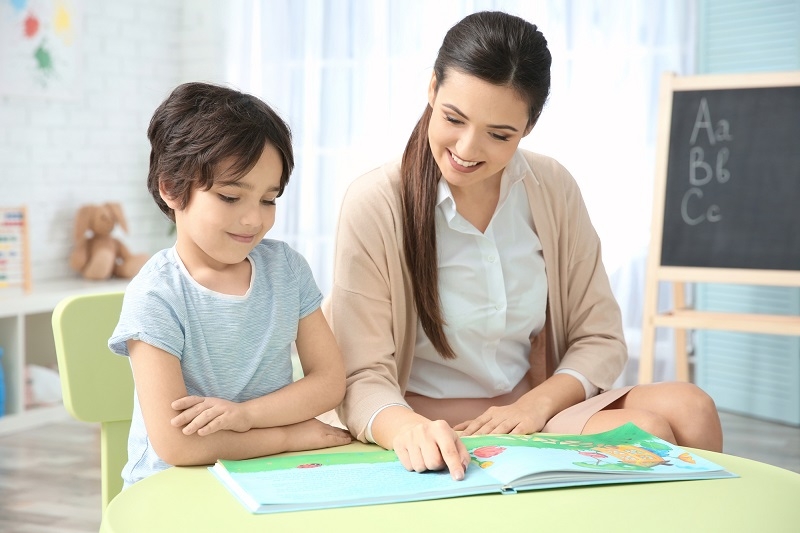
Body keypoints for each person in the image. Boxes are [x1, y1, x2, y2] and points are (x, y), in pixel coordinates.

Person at [323, 11, 722, 481]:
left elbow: (600, 337)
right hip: (433, 425)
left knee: (692, 408)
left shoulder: (550, 187)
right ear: (432, 89)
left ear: (529, 126)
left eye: (500, 134)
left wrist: (537, 404)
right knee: (650, 428)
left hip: (532, 409)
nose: (468, 149)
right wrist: (410, 430)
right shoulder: (376, 202)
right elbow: (359, 374)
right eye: (454, 118)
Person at [109, 82, 351, 487]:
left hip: (268, 475)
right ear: (171, 187)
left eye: (268, 200)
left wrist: (246, 417)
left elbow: (329, 382)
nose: (253, 220)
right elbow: (177, 446)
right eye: (230, 197)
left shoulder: (286, 269)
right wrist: (287, 436)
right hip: (174, 486)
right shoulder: (156, 296)